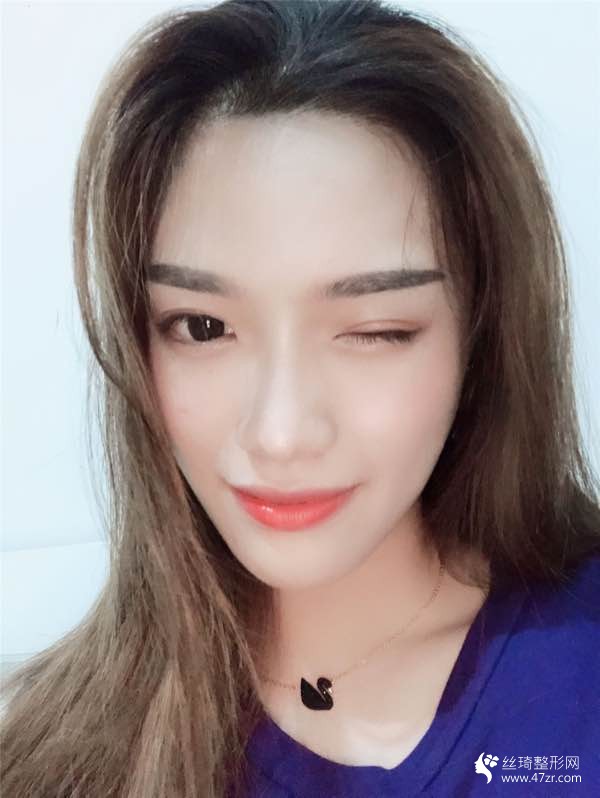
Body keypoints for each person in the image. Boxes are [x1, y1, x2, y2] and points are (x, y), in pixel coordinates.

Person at [1, 1, 598, 797]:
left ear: (483, 333)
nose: (280, 434)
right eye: (203, 327)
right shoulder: (56, 751)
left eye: (376, 331)